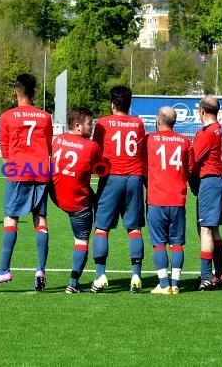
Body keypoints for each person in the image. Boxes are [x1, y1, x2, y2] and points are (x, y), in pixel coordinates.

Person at [0, 73, 53, 291]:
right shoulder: (45, 117)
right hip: (41, 170)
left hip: (18, 171)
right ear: (34, 92)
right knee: (40, 220)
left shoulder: (7, 117)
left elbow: (5, 150)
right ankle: (40, 269)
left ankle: (4, 270)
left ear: (16, 91)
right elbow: (49, 146)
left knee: (10, 219)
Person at [92, 85, 146, 294]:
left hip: (111, 178)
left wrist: (99, 172)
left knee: (102, 228)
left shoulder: (103, 123)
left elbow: (96, 153)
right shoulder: (139, 124)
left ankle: (100, 275)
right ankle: (136, 276)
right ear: (129, 104)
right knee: (134, 229)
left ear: (112, 104)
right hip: (134, 178)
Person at [50, 107, 102, 294]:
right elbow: (100, 170)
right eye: (90, 123)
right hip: (77, 202)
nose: (93, 126)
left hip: (56, 196)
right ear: (78, 125)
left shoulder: (58, 140)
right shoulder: (91, 146)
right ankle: (73, 283)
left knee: (89, 193)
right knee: (81, 241)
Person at [143, 107, 192, 295]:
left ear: (158, 120)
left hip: (157, 199)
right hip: (178, 199)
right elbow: (188, 169)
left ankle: (163, 285)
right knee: (177, 243)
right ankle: (176, 284)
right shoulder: (184, 141)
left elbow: (143, 167)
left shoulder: (149, 140)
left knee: (159, 243)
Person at [189, 95, 222, 290]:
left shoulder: (207, 132)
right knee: (213, 229)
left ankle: (206, 276)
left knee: (205, 229)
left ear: (202, 111)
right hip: (216, 182)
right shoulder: (219, 129)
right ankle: (219, 272)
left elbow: (192, 160)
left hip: (209, 182)